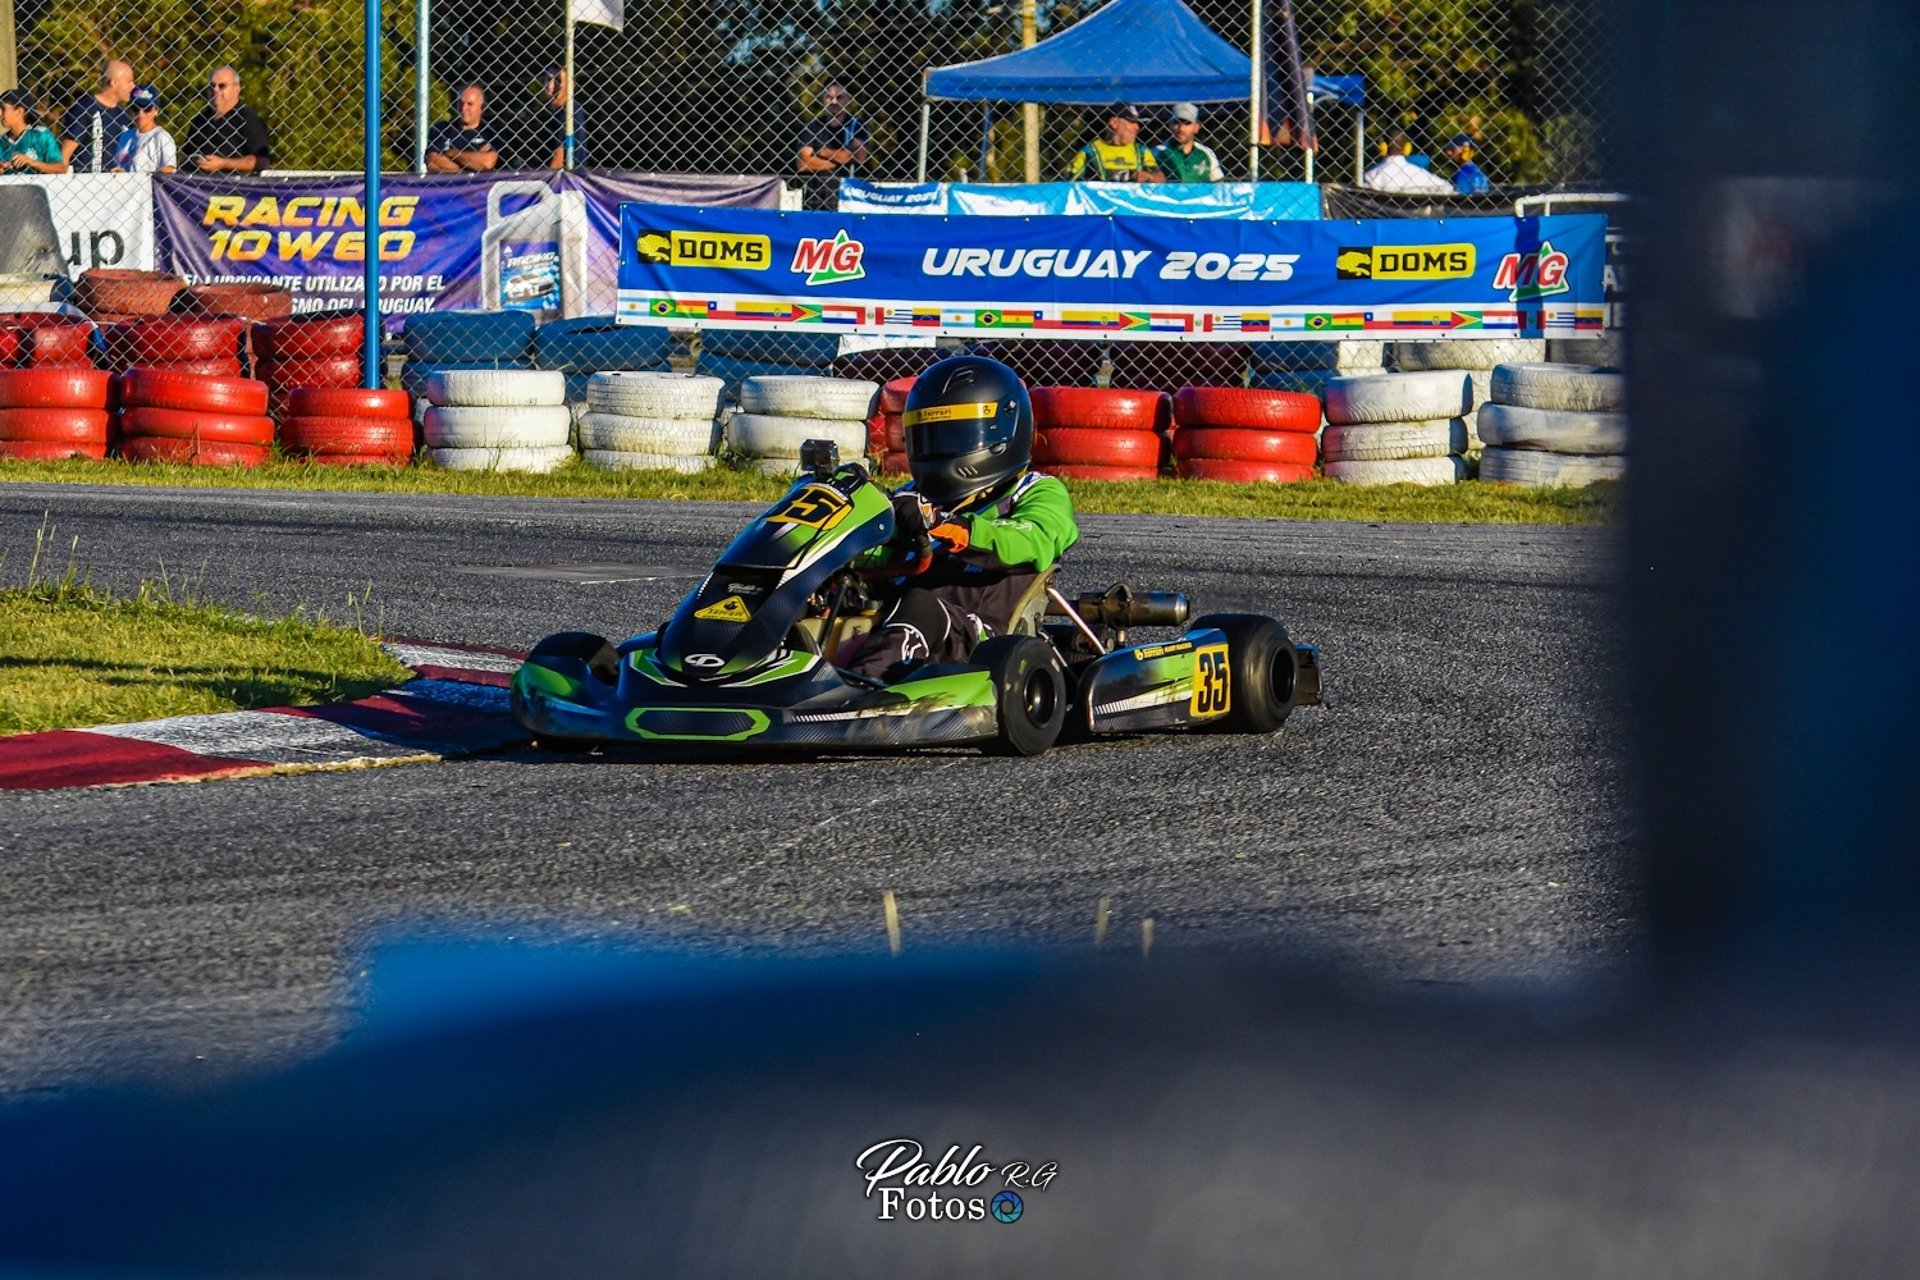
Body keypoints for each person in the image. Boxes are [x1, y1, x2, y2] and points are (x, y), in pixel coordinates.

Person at [842, 355, 1081, 683]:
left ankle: (857, 693)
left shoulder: (1035, 491)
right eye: (930, 437)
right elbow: (879, 556)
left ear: (1002, 432)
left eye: (954, 437)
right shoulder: (910, 498)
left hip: (983, 639)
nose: (939, 449)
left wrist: (948, 525)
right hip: (893, 624)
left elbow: (1033, 540)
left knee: (920, 607)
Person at [183, 66, 271, 173]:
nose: (215, 90)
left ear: (236, 89)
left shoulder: (248, 119)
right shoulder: (200, 121)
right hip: (197, 186)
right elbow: (185, 157)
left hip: (232, 186)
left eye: (222, 86)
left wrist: (223, 163)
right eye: (212, 85)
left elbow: (261, 161)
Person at [794, 82, 867, 209]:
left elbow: (858, 156)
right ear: (823, 99)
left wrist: (820, 153)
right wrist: (841, 160)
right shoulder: (813, 126)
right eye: (829, 97)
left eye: (839, 97)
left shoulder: (856, 125)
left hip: (846, 195)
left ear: (848, 100)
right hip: (815, 194)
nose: (834, 102)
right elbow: (803, 163)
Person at [59, 59, 133, 173]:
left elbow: (123, 158)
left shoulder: (124, 117)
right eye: (129, 81)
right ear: (113, 83)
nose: (133, 86)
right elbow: (64, 156)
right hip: (84, 183)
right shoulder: (85, 108)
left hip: (114, 187)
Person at [1069, 103, 1164, 183]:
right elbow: (1069, 182)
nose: (1137, 127)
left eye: (1138, 123)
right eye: (1132, 121)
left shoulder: (1141, 151)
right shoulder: (1089, 152)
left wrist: (1149, 177)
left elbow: (1161, 178)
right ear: (1114, 122)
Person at [426, 83, 501, 173]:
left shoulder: (491, 131)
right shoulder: (442, 128)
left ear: (482, 107)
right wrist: (471, 166)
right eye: (461, 103)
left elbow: (488, 163)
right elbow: (432, 162)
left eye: (470, 104)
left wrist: (451, 153)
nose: (464, 108)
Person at [525, 65, 586, 170]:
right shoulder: (553, 113)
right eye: (548, 80)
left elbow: (558, 161)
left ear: (571, 85)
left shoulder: (569, 112)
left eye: (558, 80)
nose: (551, 86)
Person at [1361, 131, 1455, 195]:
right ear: (1407, 148)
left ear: (1382, 147)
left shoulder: (1372, 175)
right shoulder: (1420, 174)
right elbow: (1447, 188)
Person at [110, 85, 177, 174]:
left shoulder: (162, 137)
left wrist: (145, 176)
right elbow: (119, 165)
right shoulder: (126, 135)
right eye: (135, 109)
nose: (140, 114)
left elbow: (170, 169)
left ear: (156, 111)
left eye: (147, 109)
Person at [0, 90, 69, 174]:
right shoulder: (1, 141)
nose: (0, 113)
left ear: (19, 112)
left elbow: (61, 168)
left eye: (3, 108)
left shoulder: (41, 135)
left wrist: (32, 162)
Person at [1157, 102, 1221, 183]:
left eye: (1187, 123)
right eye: (1176, 122)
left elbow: (1218, 184)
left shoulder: (1206, 153)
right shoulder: (1158, 152)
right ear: (1170, 125)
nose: (1181, 128)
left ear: (1196, 127)